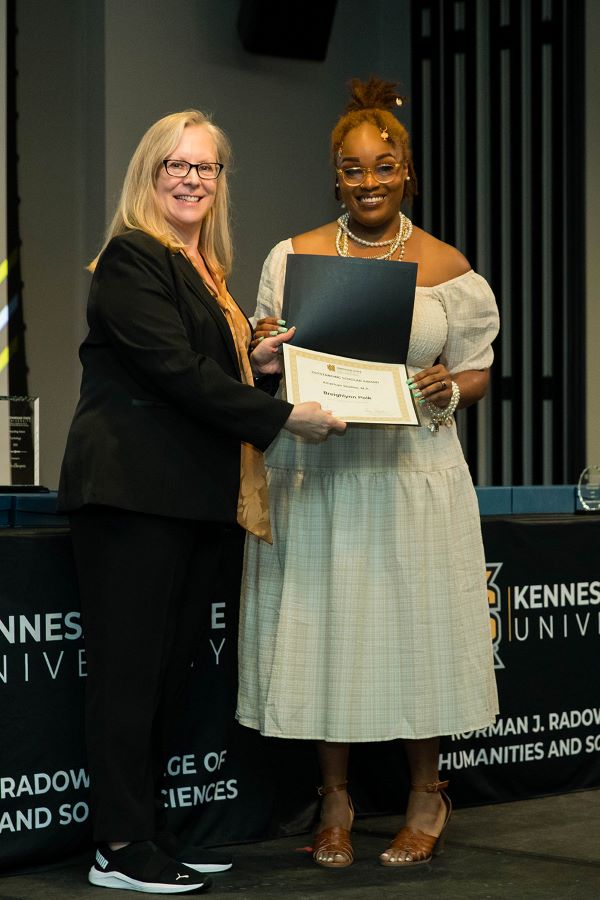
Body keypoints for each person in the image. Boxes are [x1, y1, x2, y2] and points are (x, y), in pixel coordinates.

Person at [57, 108, 345, 894]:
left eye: (205, 167)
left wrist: (253, 361)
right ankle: (118, 845)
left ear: (220, 182)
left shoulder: (203, 268)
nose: (191, 179)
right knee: (128, 680)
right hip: (131, 498)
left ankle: (149, 831)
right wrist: (286, 415)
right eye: (175, 166)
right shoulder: (131, 257)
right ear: (150, 176)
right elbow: (174, 373)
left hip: (189, 501)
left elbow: (200, 367)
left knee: (164, 681)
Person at [236, 77, 500, 869]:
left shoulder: (446, 265)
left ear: (407, 170)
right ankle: (336, 800)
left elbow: (477, 368)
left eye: (384, 166)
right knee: (326, 628)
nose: (370, 181)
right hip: (318, 468)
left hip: (412, 470)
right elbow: (264, 352)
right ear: (336, 176)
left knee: (416, 627)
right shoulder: (295, 256)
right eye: (353, 169)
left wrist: (452, 385)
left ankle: (427, 795)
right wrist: (262, 351)